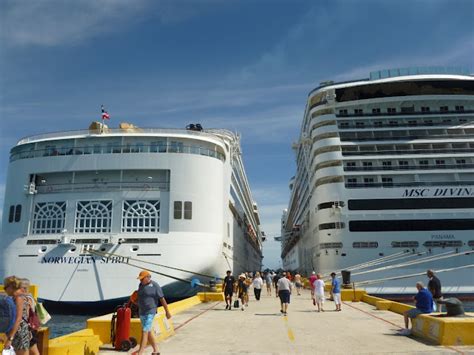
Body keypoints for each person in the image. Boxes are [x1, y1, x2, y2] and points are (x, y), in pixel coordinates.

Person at [136, 270, 171, 355]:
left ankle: (140, 353)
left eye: (142, 279)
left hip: (150, 311)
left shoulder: (155, 285)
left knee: (144, 331)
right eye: (140, 279)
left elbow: (162, 299)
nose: (140, 281)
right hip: (142, 312)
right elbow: (140, 298)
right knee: (148, 331)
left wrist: (167, 311)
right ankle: (156, 350)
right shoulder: (140, 285)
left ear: (148, 277)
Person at [3, 276, 31, 355]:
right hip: (19, 331)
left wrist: (10, 338)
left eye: (6, 287)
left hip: (19, 332)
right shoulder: (19, 296)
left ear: (12, 287)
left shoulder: (19, 298)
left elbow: (18, 319)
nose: (4, 289)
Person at [20, 278, 40, 355]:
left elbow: (26, 315)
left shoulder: (25, 299)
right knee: (33, 350)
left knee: (29, 350)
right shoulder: (31, 297)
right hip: (32, 327)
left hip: (27, 328)